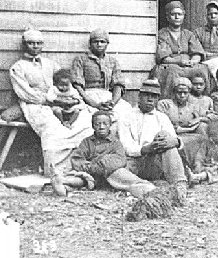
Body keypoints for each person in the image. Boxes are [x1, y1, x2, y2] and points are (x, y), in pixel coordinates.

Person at [9, 29, 92, 177]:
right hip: (35, 104)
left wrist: (71, 99)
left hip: (61, 102)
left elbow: (66, 83)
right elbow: (25, 93)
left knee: (84, 120)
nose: (35, 46)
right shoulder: (18, 67)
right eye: (31, 43)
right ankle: (57, 171)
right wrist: (49, 100)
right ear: (24, 45)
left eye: (38, 43)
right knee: (52, 127)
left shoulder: (51, 64)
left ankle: (80, 165)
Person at [116, 79, 189, 201]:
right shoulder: (126, 117)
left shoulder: (161, 117)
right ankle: (148, 186)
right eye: (146, 95)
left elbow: (172, 140)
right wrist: (145, 149)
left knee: (164, 135)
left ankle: (179, 186)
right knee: (116, 172)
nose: (150, 99)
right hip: (135, 162)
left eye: (154, 97)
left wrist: (175, 142)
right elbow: (126, 145)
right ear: (139, 97)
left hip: (155, 161)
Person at [68, 111, 157, 197]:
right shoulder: (87, 142)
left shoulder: (115, 142)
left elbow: (120, 160)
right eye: (97, 124)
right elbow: (77, 160)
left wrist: (103, 163)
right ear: (93, 126)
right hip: (91, 174)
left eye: (105, 124)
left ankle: (149, 190)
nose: (101, 127)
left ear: (110, 125)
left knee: (128, 179)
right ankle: (63, 183)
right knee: (77, 178)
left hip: (111, 173)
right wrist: (92, 168)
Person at [70, 28, 132, 128]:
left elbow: (118, 85)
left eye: (102, 42)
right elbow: (77, 85)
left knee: (125, 112)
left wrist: (112, 102)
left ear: (107, 44)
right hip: (87, 96)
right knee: (85, 118)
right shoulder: (81, 59)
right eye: (95, 41)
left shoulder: (112, 61)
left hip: (107, 96)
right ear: (90, 44)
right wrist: (93, 104)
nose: (99, 44)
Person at [151, 1, 205, 98]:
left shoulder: (188, 34)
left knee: (202, 69)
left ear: (183, 16)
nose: (176, 17)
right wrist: (180, 61)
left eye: (179, 14)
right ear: (168, 17)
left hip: (188, 64)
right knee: (173, 72)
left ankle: (200, 101)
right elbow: (164, 58)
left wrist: (193, 61)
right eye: (173, 14)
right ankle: (170, 100)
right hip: (171, 64)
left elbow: (197, 52)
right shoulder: (163, 34)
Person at [156, 77, 210, 165]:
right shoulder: (165, 104)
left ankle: (196, 164)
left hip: (188, 136)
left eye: (185, 93)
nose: (182, 96)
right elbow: (160, 122)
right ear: (174, 92)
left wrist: (199, 119)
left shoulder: (193, 107)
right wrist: (188, 129)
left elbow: (208, 117)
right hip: (170, 134)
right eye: (179, 92)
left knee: (202, 131)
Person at [188, 119, 218, 185]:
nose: (213, 138)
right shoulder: (207, 142)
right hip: (206, 165)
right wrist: (198, 164)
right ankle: (196, 176)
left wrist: (214, 167)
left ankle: (198, 177)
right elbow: (200, 154)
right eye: (211, 135)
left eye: (215, 136)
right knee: (199, 170)